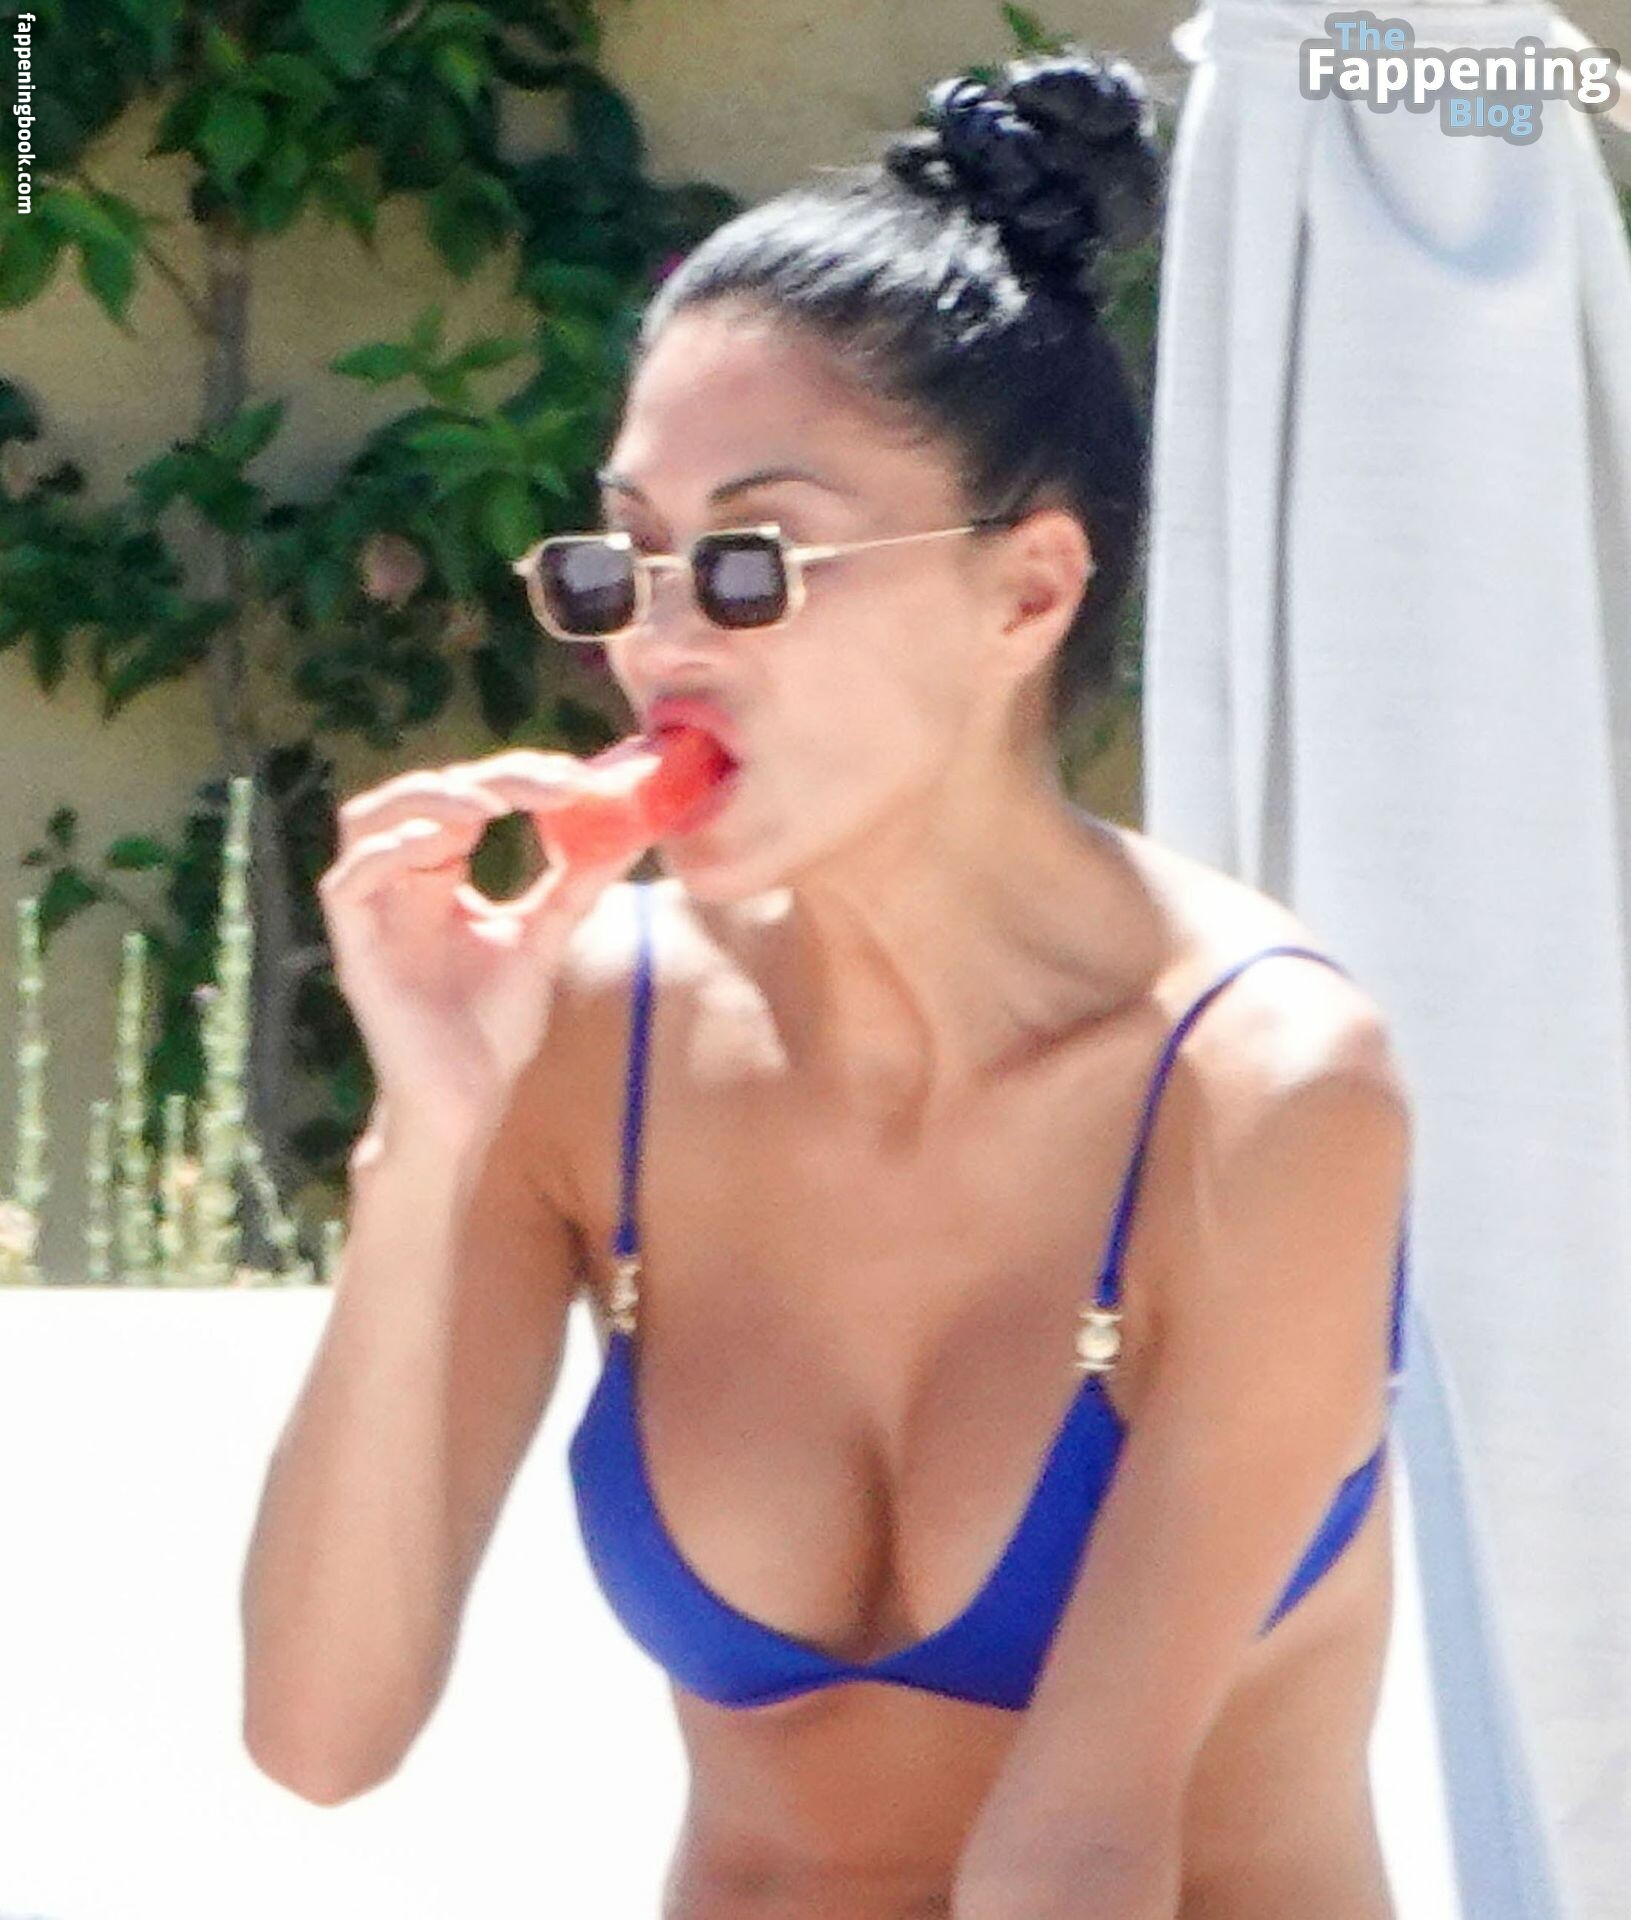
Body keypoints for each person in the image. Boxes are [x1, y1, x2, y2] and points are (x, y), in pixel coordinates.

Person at [240, 46, 1413, 1920]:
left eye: (753, 565)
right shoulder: (587, 1038)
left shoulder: (1265, 1091)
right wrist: (426, 1146)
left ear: (1027, 593)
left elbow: (1078, 1850)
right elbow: (320, 1731)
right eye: (626, 563)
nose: (663, 644)